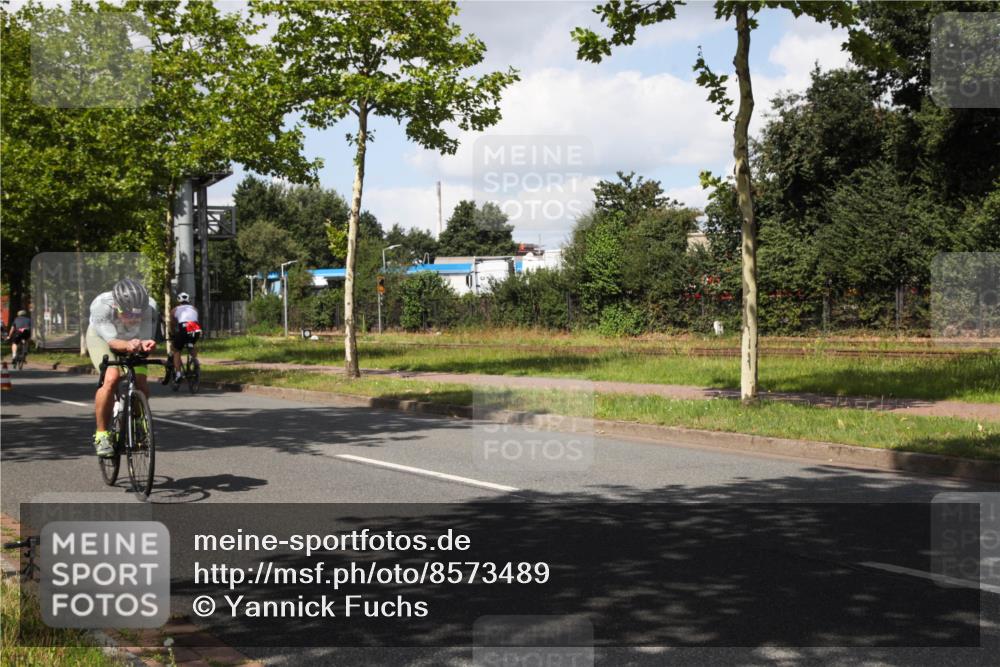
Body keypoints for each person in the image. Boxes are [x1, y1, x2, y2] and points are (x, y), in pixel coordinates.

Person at [87, 278, 158, 457]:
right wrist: (127, 345)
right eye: (128, 314)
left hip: (132, 339)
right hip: (102, 339)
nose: (133, 318)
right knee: (112, 377)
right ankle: (102, 435)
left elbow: (144, 340)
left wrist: (146, 345)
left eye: (138, 315)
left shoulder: (150, 307)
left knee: (141, 382)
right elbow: (112, 342)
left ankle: (139, 421)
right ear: (116, 306)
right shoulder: (101, 306)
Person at [170, 292, 201, 383]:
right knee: (191, 343)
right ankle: (195, 361)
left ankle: (178, 374)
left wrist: (172, 333)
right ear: (188, 300)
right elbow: (194, 319)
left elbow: (172, 323)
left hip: (183, 327)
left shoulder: (174, 310)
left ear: (179, 300)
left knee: (176, 350)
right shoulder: (194, 308)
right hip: (195, 327)